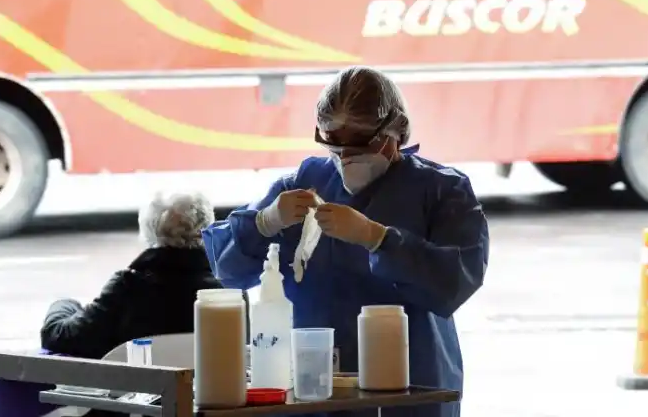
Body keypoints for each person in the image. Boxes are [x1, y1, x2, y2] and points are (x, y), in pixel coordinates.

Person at [203, 66, 489, 417]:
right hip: (311, 389)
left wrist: (378, 238)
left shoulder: (443, 191)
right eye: (335, 149)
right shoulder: (303, 184)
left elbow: (455, 282)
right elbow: (230, 272)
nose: (344, 161)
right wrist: (263, 223)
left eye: (356, 148)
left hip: (410, 388)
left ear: (392, 135)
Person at [0, 191, 225, 417]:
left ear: (150, 231)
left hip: (128, 412)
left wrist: (64, 305)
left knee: (5, 378)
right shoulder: (227, 294)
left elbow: (60, 336)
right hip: (202, 409)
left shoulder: (129, 288)